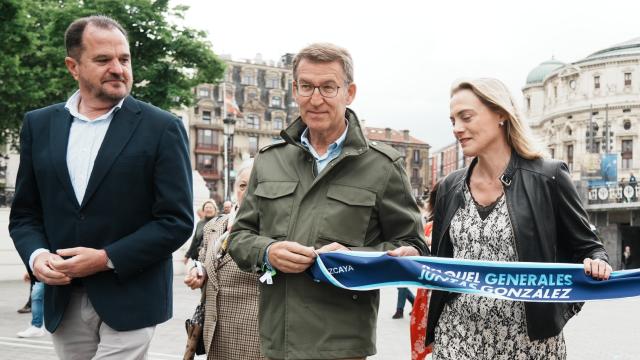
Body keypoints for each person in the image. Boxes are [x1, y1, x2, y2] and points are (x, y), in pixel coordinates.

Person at [228, 43, 429, 360]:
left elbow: (413, 245)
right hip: (275, 340)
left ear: (349, 92)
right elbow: (238, 237)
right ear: (294, 90)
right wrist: (267, 251)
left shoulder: (382, 166)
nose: (316, 99)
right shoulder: (268, 160)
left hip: (342, 344)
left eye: (328, 87)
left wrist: (354, 258)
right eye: (306, 86)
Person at [9, 15, 193, 359]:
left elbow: (176, 221)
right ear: (73, 66)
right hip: (62, 297)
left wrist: (106, 259)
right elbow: (25, 214)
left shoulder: (163, 128)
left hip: (132, 294)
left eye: (124, 59)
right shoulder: (39, 124)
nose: (117, 68)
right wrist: (37, 257)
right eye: (103, 60)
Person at [427, 78, 611, 359]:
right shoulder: (450, 187)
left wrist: (593, 266)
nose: (457, 129)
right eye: (453, 120)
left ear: (501, 114)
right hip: (457, 337)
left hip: (528, 344)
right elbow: (438, 261)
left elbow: (589, 247)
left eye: (466, 117)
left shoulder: (548, 177)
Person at [184, 159, 263, 359]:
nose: (247, 191)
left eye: (255, 183)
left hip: (254, 338)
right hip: (214, 334)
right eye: (242, 185)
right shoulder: (214, 226)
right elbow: (202, 260)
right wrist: (196, 271)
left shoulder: (275, 229)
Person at [184, 200, 218, 264]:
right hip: (198, 257)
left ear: (215, 210)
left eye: (210, 207)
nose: (208, 209)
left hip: (212, 258)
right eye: (206, 207)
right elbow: (195, 240)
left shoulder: (219, 221)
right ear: (203, 210)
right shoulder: (200, 223)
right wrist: (187, 255)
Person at [16, 273, 45, 338]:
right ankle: (36, 326)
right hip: (44, 271)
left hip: (62, 269)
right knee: (36, 294)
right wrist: (31, 271)